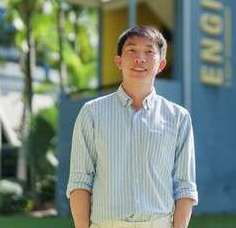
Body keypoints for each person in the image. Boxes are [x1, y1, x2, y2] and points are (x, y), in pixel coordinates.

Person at [66, 25, 197, 228]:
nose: (140, 58)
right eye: (131, 50)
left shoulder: (179, 117)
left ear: (161, 64)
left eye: (149, 52)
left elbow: (185, 186)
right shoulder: (91, 113)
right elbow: (80, 182)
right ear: (118, 60)